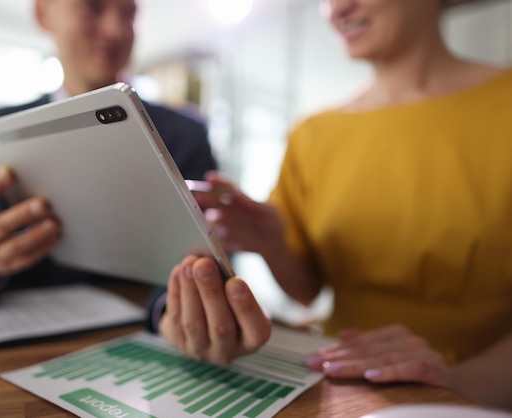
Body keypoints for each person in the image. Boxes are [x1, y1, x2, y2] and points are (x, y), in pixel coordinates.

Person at [159, 0, 512, 408]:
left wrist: (454, 384)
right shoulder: (313, 134)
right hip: (337, 385)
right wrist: (274, 243)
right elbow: (308, 291)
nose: (337, 8)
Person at [0, 0, 217, 327]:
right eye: (92, 7)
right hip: (21, 337)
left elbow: (210, 253)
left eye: (129, 13)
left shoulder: (186, 136)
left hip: (146, 340)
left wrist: (174, 309)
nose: (115, 30)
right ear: (42, 12)